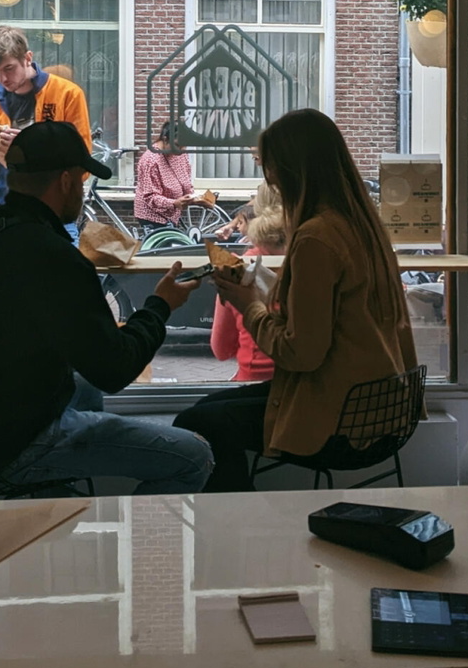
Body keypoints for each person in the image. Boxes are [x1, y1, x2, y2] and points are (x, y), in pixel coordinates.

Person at [0, 121, 213, 495]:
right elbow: (115, 368)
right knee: (193, 456)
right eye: (83, 180)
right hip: (6, 448)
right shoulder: (55, 259)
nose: (83, 191)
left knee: (83, 389)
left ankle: (51, 491)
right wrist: (160, 306)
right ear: (67, 181)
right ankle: (105, 529)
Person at [173, 110, 419, 492]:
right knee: (204, 411)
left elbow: (301, 354)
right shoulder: (364, 225)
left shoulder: (315, 238)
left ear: (291, 171)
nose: (269, 180)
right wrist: (268, 286)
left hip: (342, 421)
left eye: (270, 170)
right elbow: (336, 313)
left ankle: (236, 529)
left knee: (195, 423)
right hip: (384, 408)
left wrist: (247, 303)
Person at [0, 25, 91, 207]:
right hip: (3, 206)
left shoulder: (67, 94)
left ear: (27, 58)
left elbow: (83, 167)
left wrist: (28, 150)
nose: (2, 78)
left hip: (52, 209)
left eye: (9, 68)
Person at [209, 185, 286, 382]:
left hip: (255, 381)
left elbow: (221, 349)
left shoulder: (237, 268)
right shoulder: (317, 259)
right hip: (307, 387)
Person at [134, 121, 197, 233]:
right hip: (152, 216)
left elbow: (186, 179)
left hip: (172, 214)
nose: (181, 150)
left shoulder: (180, 153)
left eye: (184, 146)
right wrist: (173, 203)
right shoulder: (151, 160)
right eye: (177, 145)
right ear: (165, 139)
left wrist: (195, 198)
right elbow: (150, 196)